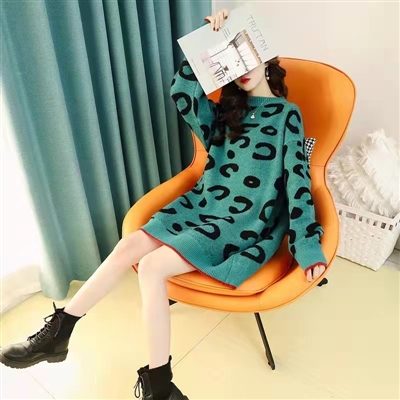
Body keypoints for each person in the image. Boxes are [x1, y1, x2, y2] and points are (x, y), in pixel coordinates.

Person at [0, 8, 327, 400]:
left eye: (247, 54)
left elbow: (297, 181)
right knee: (129, 246)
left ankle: (159, 384)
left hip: (243, 220)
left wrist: (307, 244)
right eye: (231, 59)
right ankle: (61, 330)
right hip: (203, 204)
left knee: (152, 267)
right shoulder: (225, 113)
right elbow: (182, 94)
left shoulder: (288, 116)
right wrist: (206, 43)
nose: (242, 68)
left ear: (265, 55)